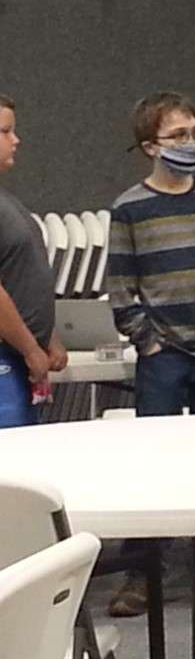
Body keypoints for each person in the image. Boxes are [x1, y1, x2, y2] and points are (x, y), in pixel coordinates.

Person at [106, 91, 195, 616]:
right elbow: (121, 288)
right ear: (150, 146)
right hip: (165, 355)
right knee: (155, 470)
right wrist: (149, 340)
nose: (190, 143)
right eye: (178, 136)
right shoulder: (130, 208)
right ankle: (143, 576)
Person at [0, 94, 67, 429]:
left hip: (18, 357)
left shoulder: (8, 202)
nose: (16, 140)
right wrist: (29, 348)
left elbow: (20, 275)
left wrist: (48, 337)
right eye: (5, 131)